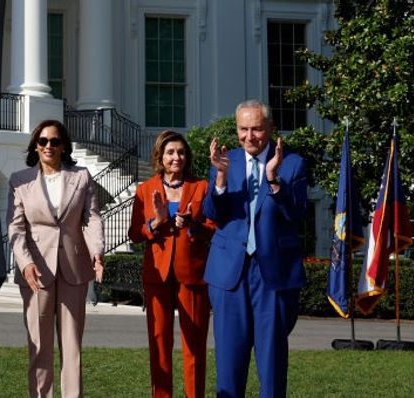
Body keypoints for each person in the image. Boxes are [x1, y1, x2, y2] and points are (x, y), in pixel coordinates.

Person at [204, 100, 308, 398]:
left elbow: (297, 214)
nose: (250, 136)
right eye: (243, 129)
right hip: (229, 275)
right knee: (228, 365)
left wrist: (273, 180)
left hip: (272, 275)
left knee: (272, 364)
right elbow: (213, 213)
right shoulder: (226, 161)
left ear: (271, 129)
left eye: (257, 129)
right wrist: (220, 179)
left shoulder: (292, 164)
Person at [7, 120, 104, 398]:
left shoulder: (82, 177)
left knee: (72, 347)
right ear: (35, 146)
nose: (49, 146)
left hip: (74, 269)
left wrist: (97, 250)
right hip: (35, 271)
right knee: (39, 346)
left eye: (55, 141)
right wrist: (24, 262)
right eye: (43, 141)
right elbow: (16, 227)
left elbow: (91, 218)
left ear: (64, 146)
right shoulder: (19, 180)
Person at [128, 131, 215, 398]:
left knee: (195, 346)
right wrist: (158, 221)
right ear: (160, 157)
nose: (176, 157)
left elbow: (213, 226)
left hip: (192, 275)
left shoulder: (201, 186)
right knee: (159, 344)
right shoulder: (145, 189)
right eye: (170, 153)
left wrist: (192, 224)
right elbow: (134, 233)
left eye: (180, 152)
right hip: (158, 275)